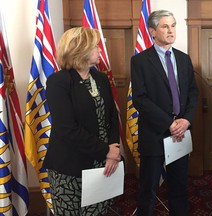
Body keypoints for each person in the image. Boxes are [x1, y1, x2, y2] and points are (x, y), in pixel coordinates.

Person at [43, 27, 121, 215]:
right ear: (81, 50)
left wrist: (113, 147)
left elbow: (111, 115)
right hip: (70, 167)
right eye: (96, 46)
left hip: (102, 163)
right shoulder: (58, 81)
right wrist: (106, 151)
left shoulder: (101, 78)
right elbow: (66, 128)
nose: (100, 49)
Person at [131, 10, 199, 216]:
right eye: (164, 26)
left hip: (181, 133)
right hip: (154, 133)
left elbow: (193, 93)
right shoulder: (140, 61)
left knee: (179, 185)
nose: (170, 30)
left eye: (173, 25)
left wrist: (186, 120)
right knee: (148, 188)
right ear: (152, 31)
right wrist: (169, 124)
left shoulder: (184, 59)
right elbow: (140, 99)